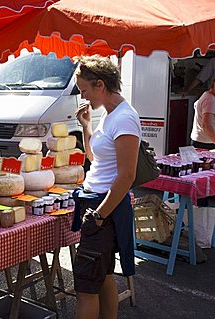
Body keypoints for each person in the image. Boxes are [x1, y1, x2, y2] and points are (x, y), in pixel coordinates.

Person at [72, 55, 140, 319]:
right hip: (97, 202)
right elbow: (94, 158)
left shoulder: (124, 118)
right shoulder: (110, 114)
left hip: (104, 206)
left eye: (84, 90)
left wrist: (99, 215)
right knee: (102, 276)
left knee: (86, 286)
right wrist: (86, 126)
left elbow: (127, 176)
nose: (84, 96)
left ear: (100, 84)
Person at [190, 79, 215, 150]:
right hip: (205, 144)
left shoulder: (207, 95)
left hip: (203, 142)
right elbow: (207, 125)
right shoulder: (210, 100)